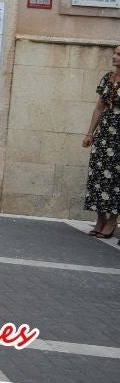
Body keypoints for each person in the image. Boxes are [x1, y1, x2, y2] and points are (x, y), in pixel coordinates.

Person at [84, 44, 120, 239]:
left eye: (119, 54)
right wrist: (90, 133)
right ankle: (100, 218)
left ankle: (113, 220)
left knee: (116, 179)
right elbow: (99, 107)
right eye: (115, 53)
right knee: (97, 176)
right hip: (105, 134)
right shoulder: (107, 78)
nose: (114, 57)